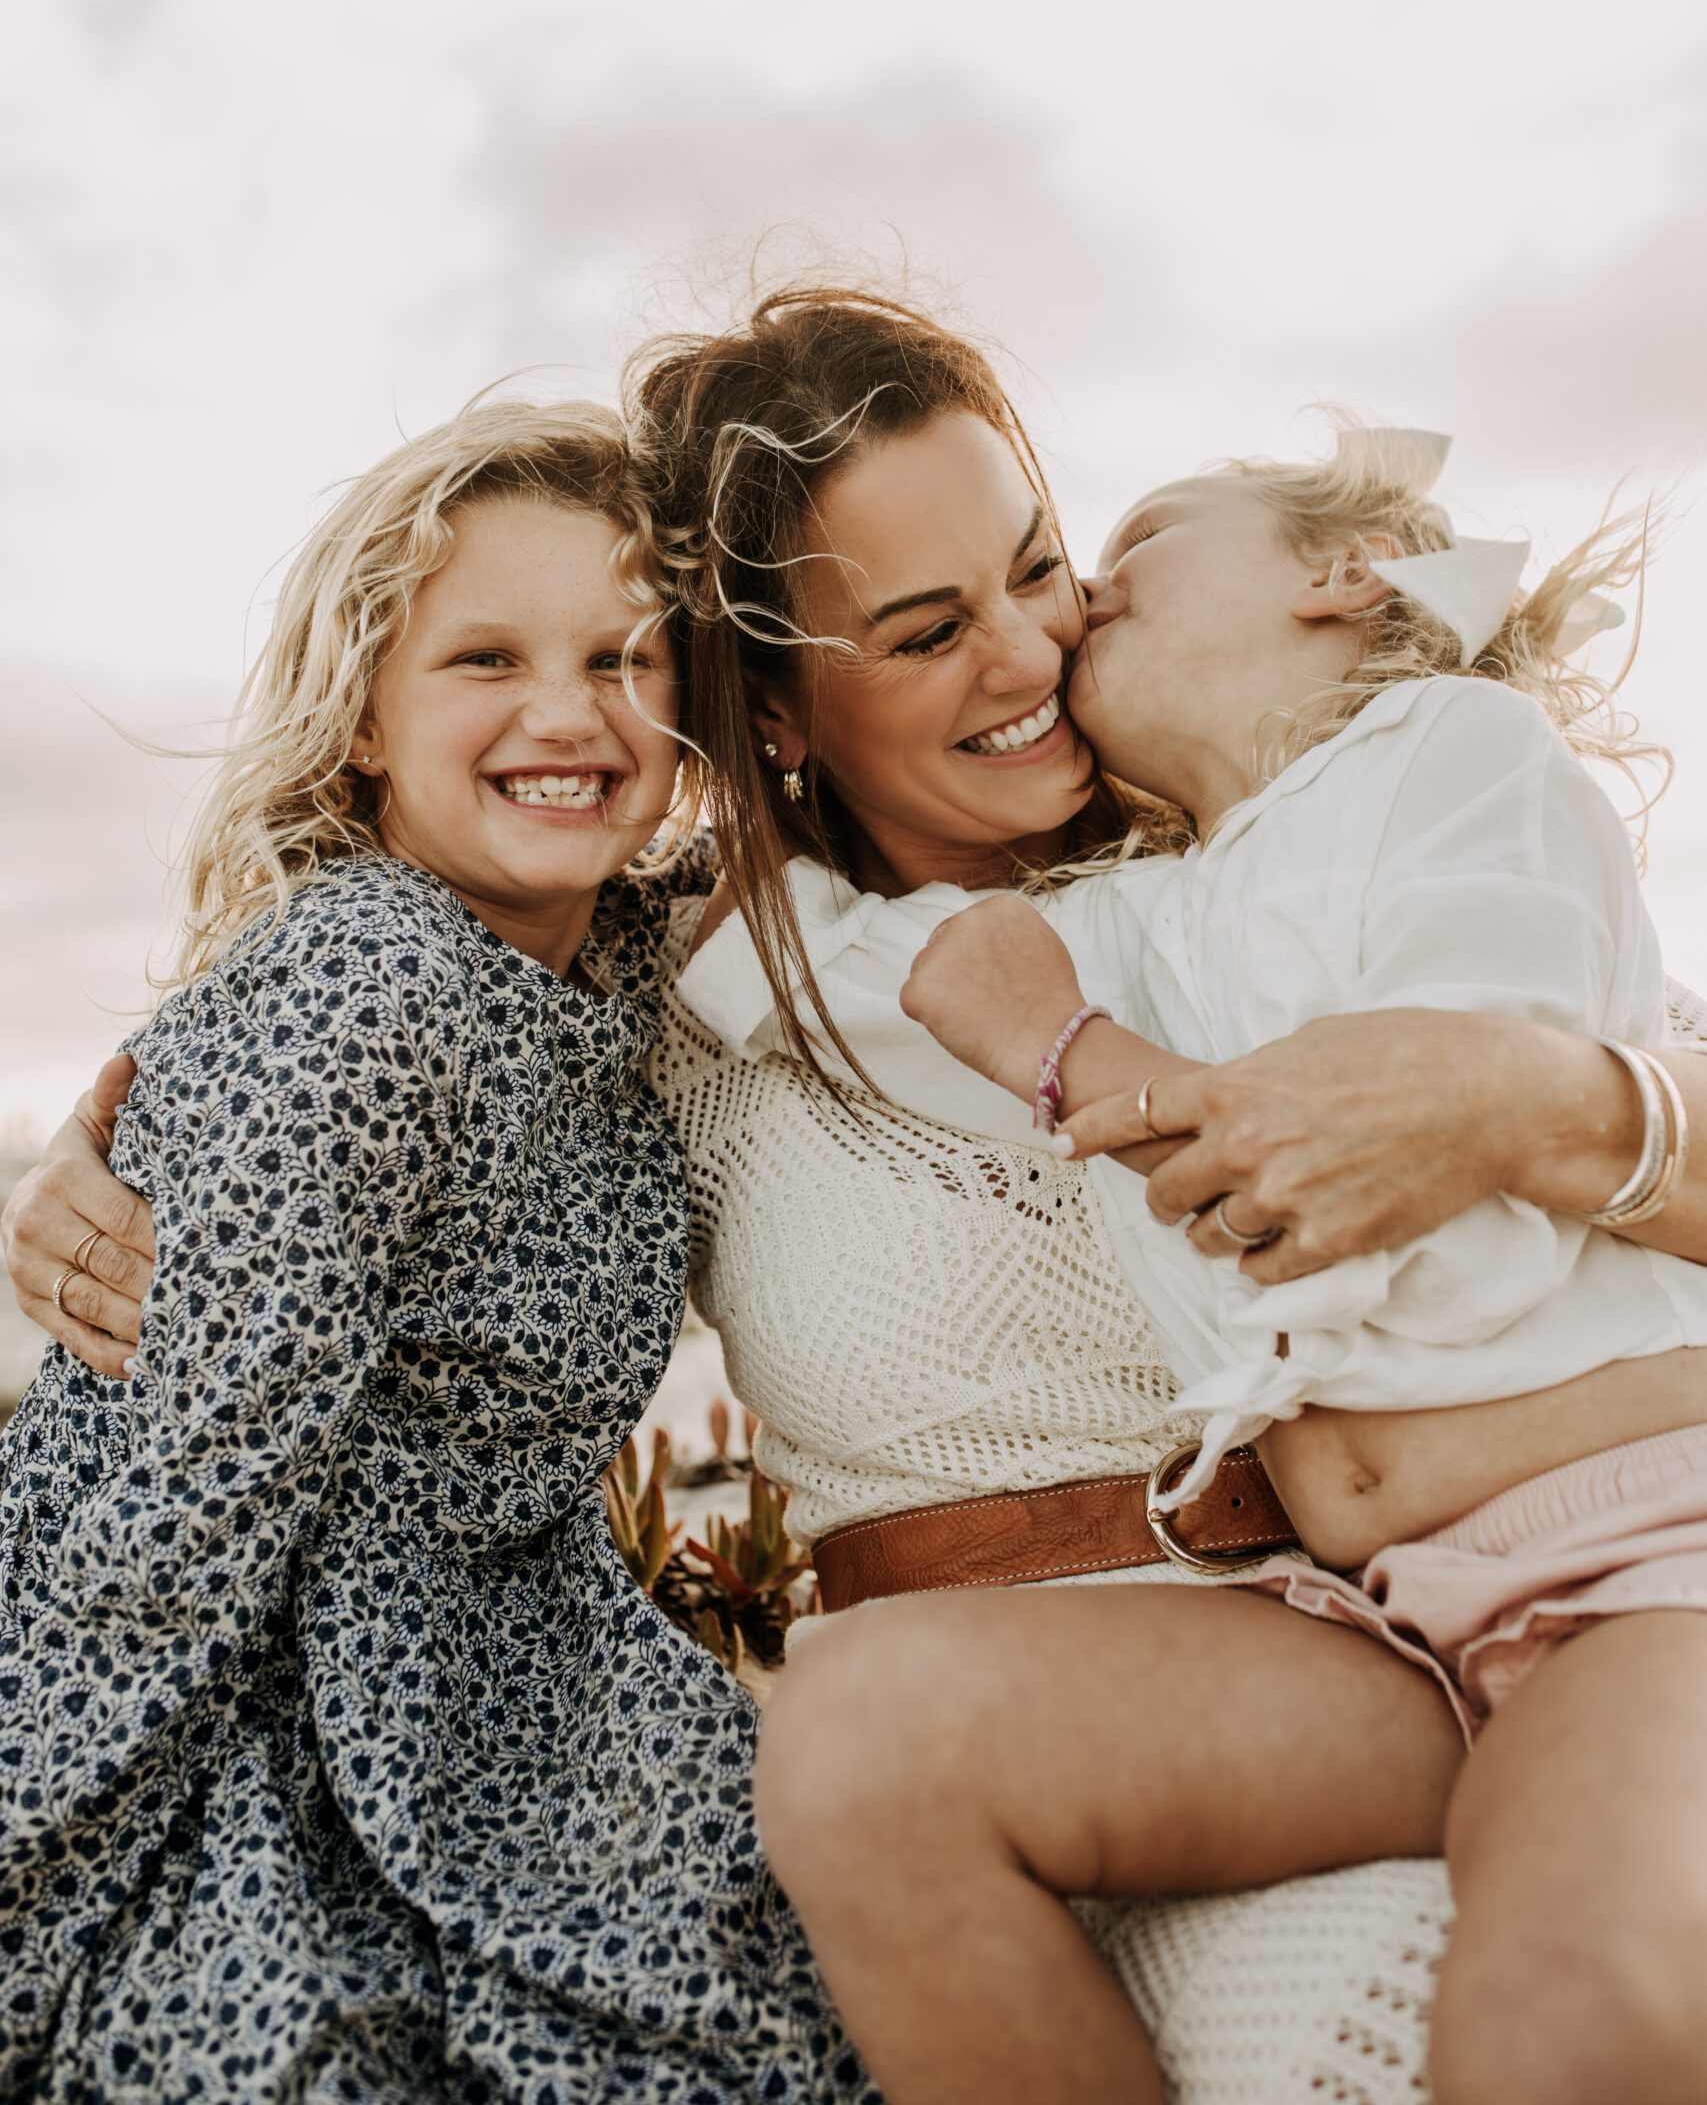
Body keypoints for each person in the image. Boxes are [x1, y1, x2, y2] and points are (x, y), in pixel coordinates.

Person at [14, 288, 1707, 2104]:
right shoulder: (693, 1000)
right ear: (784, 715)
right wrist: (90, 1168)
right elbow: (407, 1095)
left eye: (1045, 568)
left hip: (1497, 1607)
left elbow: (1600, 1087)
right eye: (923, 632)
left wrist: (1561, 1102)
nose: (1032, 653)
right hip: (1049, 1749)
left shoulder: (1282, 846)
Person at [742, 415, 1707, 2104]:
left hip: (1642, 1563)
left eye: (1095, 552)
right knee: (855, 1740)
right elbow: (845, 976)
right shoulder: (1156, 913)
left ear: (1350, 579)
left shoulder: (1460, 751)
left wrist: (1070, 1055)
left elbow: (1438, 1196)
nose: (1072, 605)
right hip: (1392, 1618)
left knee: (1560, 2024)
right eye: (923, 626)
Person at [0, 397, 868, 2103]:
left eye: (630, 657)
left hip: (513, 1685)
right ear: (366, 728)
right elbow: (194, 1496)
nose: (570, 711)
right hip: (264, 1708)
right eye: (487, 657)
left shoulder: (618, 956)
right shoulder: (363, 989)